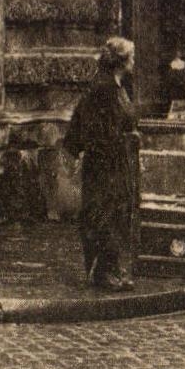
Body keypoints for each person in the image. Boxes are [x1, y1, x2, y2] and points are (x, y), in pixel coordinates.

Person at [63, 36, 137, 290]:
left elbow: (126, 120)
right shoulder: (102, 88)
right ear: (121, 61)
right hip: (103, 164)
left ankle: (112, 268)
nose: (134, 62)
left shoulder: (116, 86)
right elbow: (89, 127)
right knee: (102, 214)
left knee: (116, 213)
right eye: (131, 57)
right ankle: (102, 273)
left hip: (115, 161)